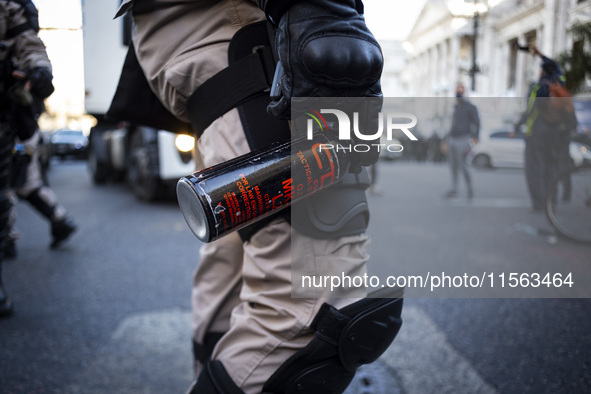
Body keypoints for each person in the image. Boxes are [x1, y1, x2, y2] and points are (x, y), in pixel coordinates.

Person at [111, 0, 403, 392]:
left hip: (205, 35)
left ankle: (211, 373)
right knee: (313, 307)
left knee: (233, 262)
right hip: (237, 31)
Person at [1, 0, 55, 317]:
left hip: (7, 120)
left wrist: (40, 70)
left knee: (10, 189)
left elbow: (27, 41)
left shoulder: (9, 5)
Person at [513, 44, 574, 211]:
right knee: (551, 168)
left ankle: (539, 203)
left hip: (537, 133)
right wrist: (540, 54)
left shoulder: (538, 87)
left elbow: (531, 111)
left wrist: (517, 126)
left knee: (534, 169)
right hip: (555, 133)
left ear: (542, 72)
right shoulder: (560, 83)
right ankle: (551, 202)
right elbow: (555, 66)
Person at [8, 126, 77, 257]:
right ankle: (61, 220)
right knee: (26, 185)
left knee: (18, 186)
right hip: (23, 132)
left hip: (17, 133)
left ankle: (6, 236)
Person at [444, 82, 480, 199]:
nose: (458, 92)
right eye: (457, 90)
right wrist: (446, 140)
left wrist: (475, 136)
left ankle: (470, 189)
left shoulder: (470, 107)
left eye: (461, 90)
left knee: (463, 165)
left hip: (463, 139)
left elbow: (477, 122)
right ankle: (454, 189)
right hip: (452, 139)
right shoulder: (455, 107)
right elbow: (452, 125)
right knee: (453, 165)